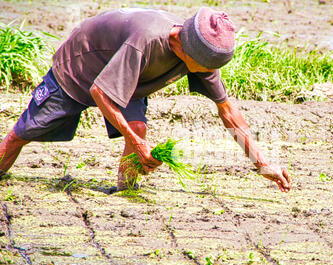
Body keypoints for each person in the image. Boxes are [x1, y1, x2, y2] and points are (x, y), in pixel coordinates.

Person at [0, 7, 291, 193]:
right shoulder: (146, 41)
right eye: (206, 68)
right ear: (186, 51)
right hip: (80, 67)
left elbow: (228, 113)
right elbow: (99, 92)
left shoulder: (201, 53)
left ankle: (125, 190)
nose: (209, 74)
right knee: (24, 133)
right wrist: (137, 144)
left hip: (130, 76)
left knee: (137, 128)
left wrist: (263, 164)